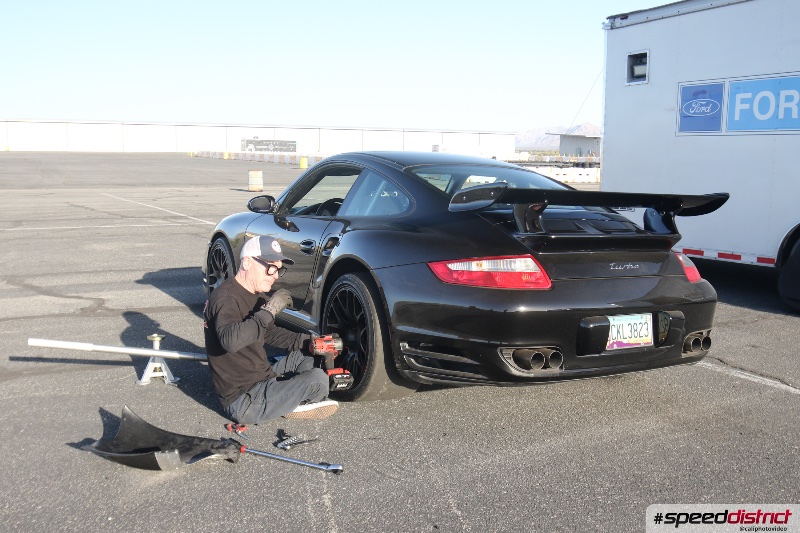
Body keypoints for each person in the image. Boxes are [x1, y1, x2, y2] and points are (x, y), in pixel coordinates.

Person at [203, 235, 338, 424]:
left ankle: (286, 397)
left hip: (262, 375)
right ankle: (292, 401)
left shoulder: (255, 295)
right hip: (243, 398)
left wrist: (309, 341)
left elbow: (268, 332)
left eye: (278, 269)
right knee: (318, 380)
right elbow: (230, 341)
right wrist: (270, 310)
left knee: (312, 353)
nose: (275, 274)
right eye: (271, 267)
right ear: (248, 263)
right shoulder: (226, 298)